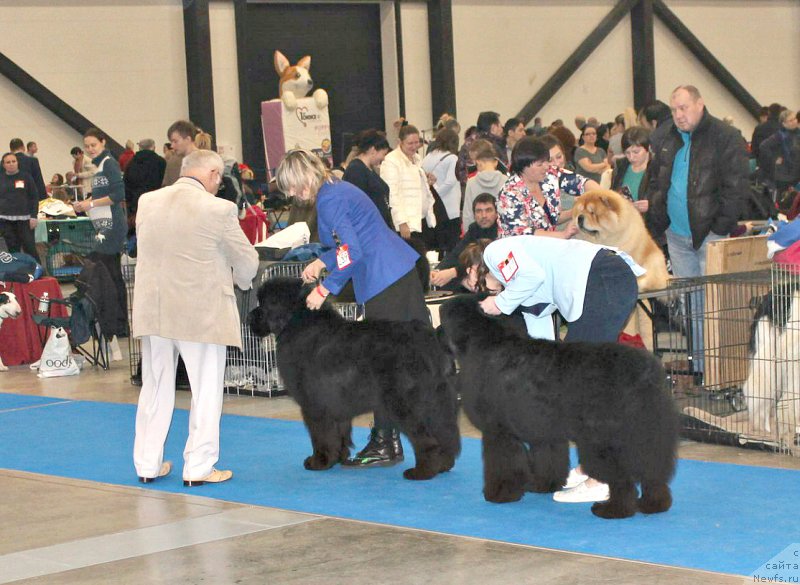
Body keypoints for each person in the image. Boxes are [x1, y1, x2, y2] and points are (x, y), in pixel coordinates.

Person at [276, 149, 429, 467]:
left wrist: (325, 288)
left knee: (385, 366)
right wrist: (323, 260)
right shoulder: (334, 189)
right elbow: (349, 245)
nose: (292, 195)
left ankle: (387, 442)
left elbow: (352, 250)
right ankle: (394, 440)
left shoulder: (329, 199)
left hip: (387, 281)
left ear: (303, 177)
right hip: (393, 274)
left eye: (291, 186)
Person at [467, 235, 643, 503]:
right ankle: (591, 466)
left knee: (583, 386)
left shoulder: (496, 251)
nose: (476, 290)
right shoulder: (519, 289)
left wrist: (499, 303)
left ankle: (603, 476)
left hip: (602, 279)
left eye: (469, 281)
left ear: (473, 269)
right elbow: (543, 341)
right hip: (606, 281)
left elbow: (531, 276)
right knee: (575, 381)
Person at [132, 149, 258, 486]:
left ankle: (147, 464)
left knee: (155, 387)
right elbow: (247, 261)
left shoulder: (148, 202)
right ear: (214, 174)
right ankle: (198, 467)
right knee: (205, 389)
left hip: (153, 309)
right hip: (199, 313)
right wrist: (242, 281)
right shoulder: (219, 208)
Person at [645, 85, 749, 381]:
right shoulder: (665, 137)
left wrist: (721, 226)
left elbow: (737, 187)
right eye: (674, 109)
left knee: (714, 304)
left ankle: (720, 371)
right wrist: (658, 217)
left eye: (684, 108)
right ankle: (702, 370)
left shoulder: (726, 137)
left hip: (711, 236)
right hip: (676, 236)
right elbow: (656, 179)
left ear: (700, 104)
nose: (678, 115)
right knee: (690, 306)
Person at [71, 128, 130, 337]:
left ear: (103, 142)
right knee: (110, 274)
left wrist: (91, 203)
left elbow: (118, 194)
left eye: (93, 145)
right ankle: (116, 322)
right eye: (86, 146)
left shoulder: (109, 164)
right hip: (104, 225)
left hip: (112, 227)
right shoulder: (98, 166)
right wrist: (88, 204)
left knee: (109, 274)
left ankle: (118, 323)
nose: (90, 149)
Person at [497, 137, 596, 238]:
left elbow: (581, 183)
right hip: (518, 249)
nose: (546, 166)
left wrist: (577, 210)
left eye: (546, 161)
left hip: (548, 244)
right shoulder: (509, 193)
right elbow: (522, 232)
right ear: (523, 167)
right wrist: (563, 234)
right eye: (540, 164)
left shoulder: (550, 174)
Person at [380, 124, 436, 246]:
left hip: (421, 219)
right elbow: (391, 194)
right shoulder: (391, 161)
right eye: (410, 143)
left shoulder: (417, 158)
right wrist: (401, 221)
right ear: (400, 142)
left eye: (417, 142)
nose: (414, 146)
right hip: (406, 223)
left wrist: (427, 181)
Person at [431, 193, 499, 290]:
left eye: (488, 210)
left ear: (497, 213)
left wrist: (454, 272)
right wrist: (437, 271)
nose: (484, 215)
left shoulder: (503, 230)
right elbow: (455, 254)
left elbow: (486, 262)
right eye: (479, 211)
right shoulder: (474, 229)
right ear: (474, 215)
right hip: (473, 274)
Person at [342, 129, 392, 228]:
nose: (384, 158)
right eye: (383, 154)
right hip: (369, 229)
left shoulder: (368, 169)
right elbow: (356, 206)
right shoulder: (356, 171)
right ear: (373, 150)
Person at [422, 128, 461, 254]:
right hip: (450, 208)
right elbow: (451, 181)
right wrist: (437, 195)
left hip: (434, 209)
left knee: (437, 245)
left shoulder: (428, 156)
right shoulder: (452, 158)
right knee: (451, 246)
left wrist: (432, 195)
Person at [0, 152, 39, 260]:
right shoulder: (1, 178)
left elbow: (34, 197)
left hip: (25, 220)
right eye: (8, 162)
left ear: (18, 163)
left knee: (30, 248)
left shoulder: (26, 177)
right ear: (3, 165)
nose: (11, 164)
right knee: (13, 250)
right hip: (5, 221)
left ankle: (40, 273)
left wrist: (34, 216)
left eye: (13, 161)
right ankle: (18, 274)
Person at [461, 139, 507, 231]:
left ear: (478, 162)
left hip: (478, 232)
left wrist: (468, 234)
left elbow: (468, 214)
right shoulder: (507, 181)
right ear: (496, 162)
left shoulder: (471, 182)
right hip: (501, 232)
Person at [455, 111, 508, 184]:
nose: (502, 130)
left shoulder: (468, 142)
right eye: (500, 126)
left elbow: (459, 169)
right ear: (493, 127)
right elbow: (504, 169)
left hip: (469, 186)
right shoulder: (493, 146)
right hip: (493, 187)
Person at [124, 138, 167, 229]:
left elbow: (126, 184)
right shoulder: (161, 162)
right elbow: (165, 183)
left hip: (135, 204)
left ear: (139, 148)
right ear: (153, 147)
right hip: (156, 203)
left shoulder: (130, 163)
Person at [610, 126, 652, 211]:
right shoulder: (621, 167)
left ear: (649, 148)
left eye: (636, 152)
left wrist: (652, 205)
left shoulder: (658, 169)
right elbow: (612, 193)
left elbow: (665, 200)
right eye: (627, 153)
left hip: (648, 221)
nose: (631, 158)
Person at [758, 108, 799, 193]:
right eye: (790, 120)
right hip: (784, 175)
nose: (794, 122)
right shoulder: (779, 135)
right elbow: (763, 146)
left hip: (796, 172)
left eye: (795, 119)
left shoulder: (797, 133)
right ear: (784, 124)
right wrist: (774, 158)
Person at [162, 120, 198, 186]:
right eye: (171, 142)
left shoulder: (205, 160)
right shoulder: (172, 162)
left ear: (188, 139)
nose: (172, 146)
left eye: (175, 141)